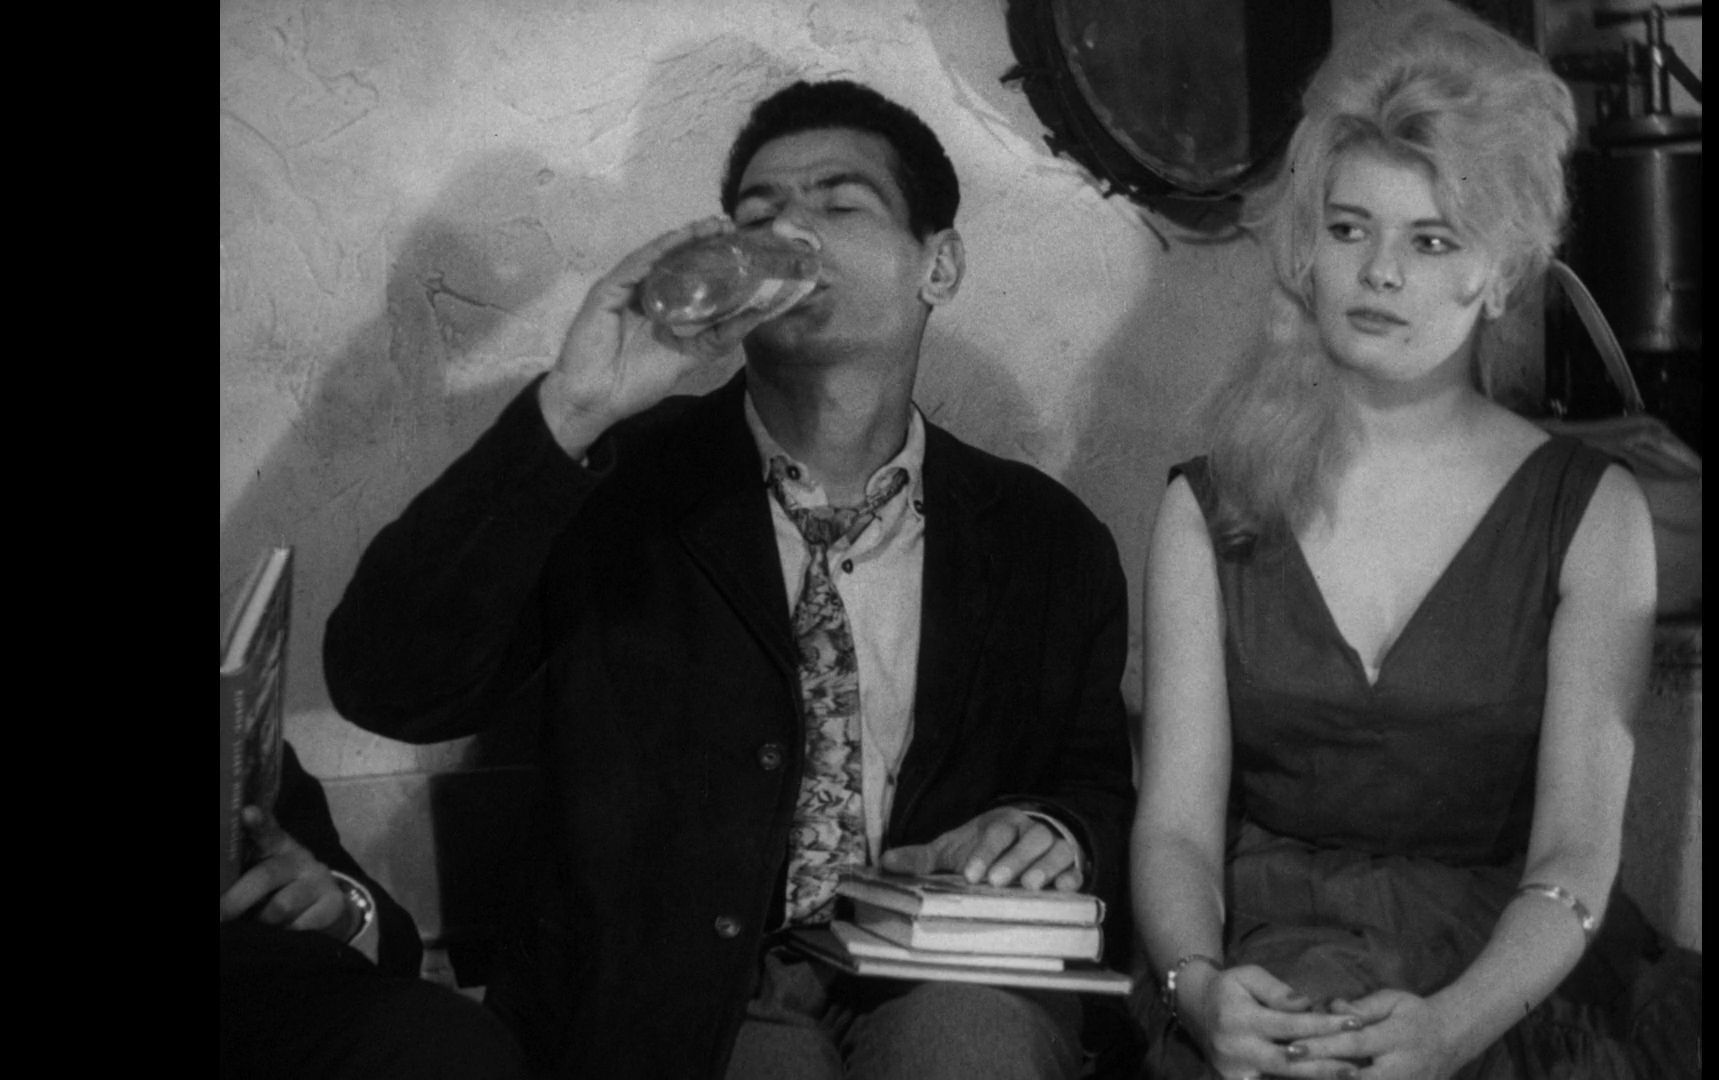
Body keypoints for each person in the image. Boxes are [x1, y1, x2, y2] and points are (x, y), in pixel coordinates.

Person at [323, 79, 1134, 1079]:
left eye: (841, 204)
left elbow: (1095, 782)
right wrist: (573, 408)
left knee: (974, 1052)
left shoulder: (1045, 541)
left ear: (940, 264)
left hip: (936, 972)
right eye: (761, 214)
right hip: (676, 990)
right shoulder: (616, 481)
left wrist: (1057, 830)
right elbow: (387, 684)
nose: (793, 231)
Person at [1129, 4, 1701, 1079]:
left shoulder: (1592, 511)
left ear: (1500, 272)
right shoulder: (1212, 506)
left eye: (1431, 240)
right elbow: (1175, 831)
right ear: (1310, 248)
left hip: (1508, 975)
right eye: (1350, 229)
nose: (1380, 272)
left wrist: (1452, 1029)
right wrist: (1198, 989)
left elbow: (1577, 853)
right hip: (1271, 954)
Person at [220, 742, 530, 1079]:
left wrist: (341, 918)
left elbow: (395, 947)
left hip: (259, 1006)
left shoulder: (243, 746)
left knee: (449, 1044)